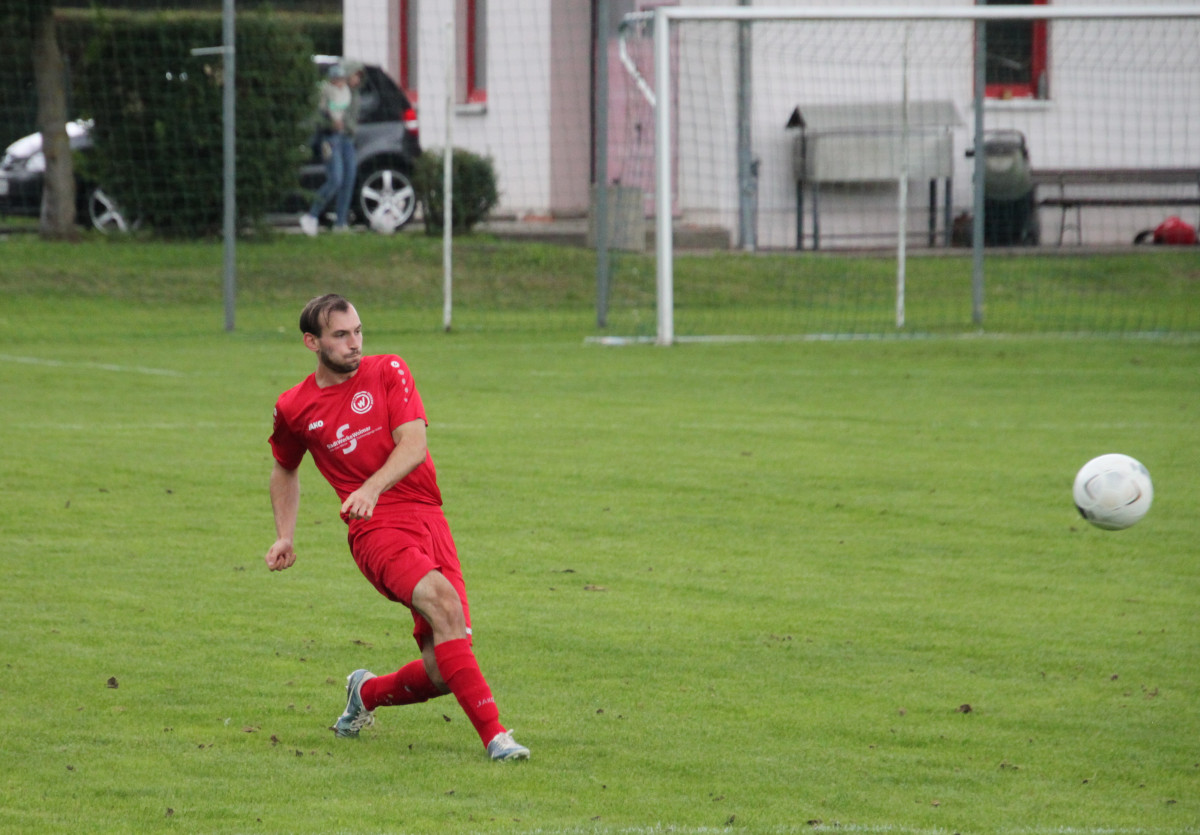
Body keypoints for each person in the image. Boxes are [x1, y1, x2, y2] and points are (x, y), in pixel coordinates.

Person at [264, 294, 530, 762]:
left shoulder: (389, 370)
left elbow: (414, 445)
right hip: (374, 528)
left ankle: (364, 694)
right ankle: (497, 739)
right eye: (340, 335)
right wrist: (286, 533)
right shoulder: (294, 406)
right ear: (312, 342)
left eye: (358, 331)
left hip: (428, 516)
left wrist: (371, 485)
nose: (354, 343)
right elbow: (285, 467)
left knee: (443, 669)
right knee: (443, 603)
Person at [300, 64, 362, 235]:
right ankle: (311, 215)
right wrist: (330, 122)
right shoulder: (325, 92)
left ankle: (341, 222)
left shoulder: (351, 94)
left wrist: (347, 126)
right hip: (330, 137)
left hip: (346, 137)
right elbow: (318, 115)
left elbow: (349, 115)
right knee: (335, 178)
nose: (341, 82)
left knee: (349, 178)